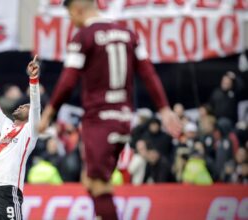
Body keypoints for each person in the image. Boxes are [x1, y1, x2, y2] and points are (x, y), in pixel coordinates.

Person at [38, 0, 181, 219]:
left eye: (71, 16)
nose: (73, 22)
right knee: (93, 181)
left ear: (77, 9)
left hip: (99, 119)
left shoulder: (84, 37)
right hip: (124, 119)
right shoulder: (128, 34)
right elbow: (148, 73)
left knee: (98, 184)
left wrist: (48, 112)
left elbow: (68, 81)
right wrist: (164, 109)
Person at [0, 53, 41, 220]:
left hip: (8, 191)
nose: (20, 106)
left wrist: (33, 80)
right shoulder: (5, 126)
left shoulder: (30, 132)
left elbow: (36, 107)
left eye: (24, 106)